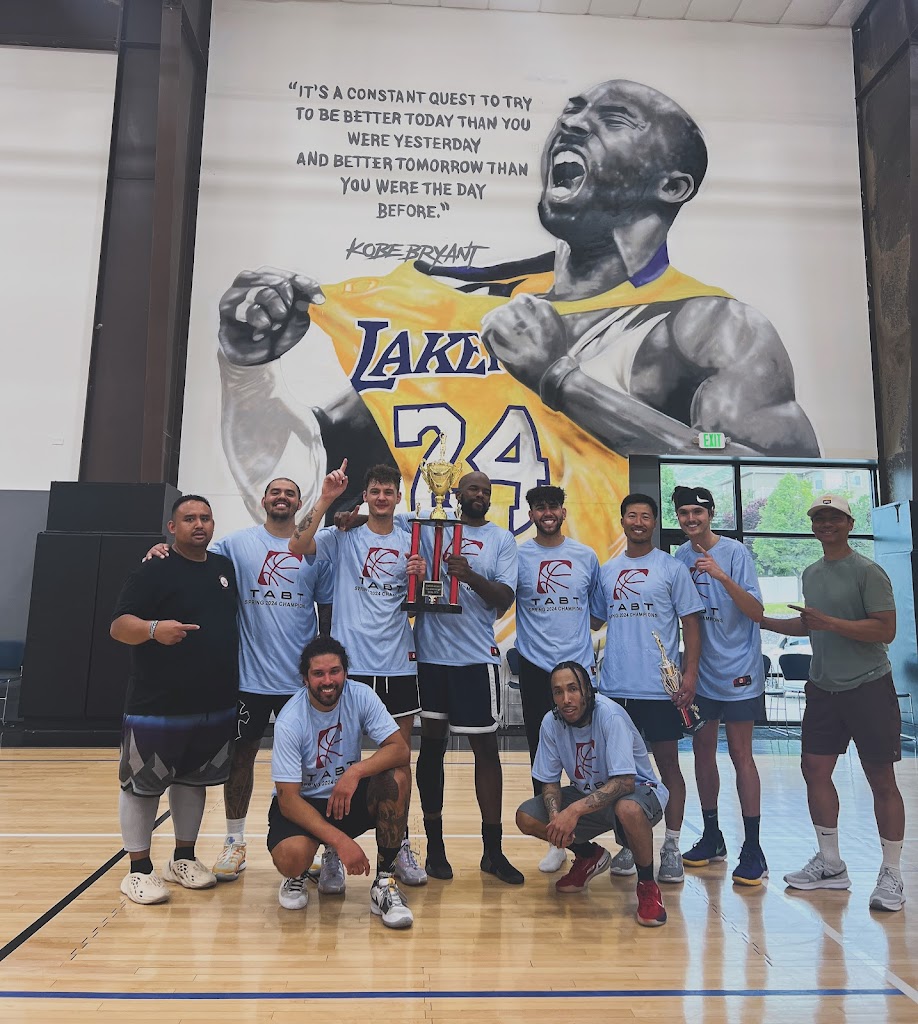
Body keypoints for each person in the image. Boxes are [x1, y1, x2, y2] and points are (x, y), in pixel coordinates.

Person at [215, 80, 818, 565]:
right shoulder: (464, 310)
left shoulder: (708, 324)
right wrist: (247, 375)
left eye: (613, 120)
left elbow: (767, 477)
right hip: (434, 627)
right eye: (572, 111)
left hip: (597, 630)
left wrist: (561, 380)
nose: (573, 123)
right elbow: (305, 482)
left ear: (673, 185)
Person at [143, 477, 335, 884]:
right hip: (250, 678)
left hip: (299, 684)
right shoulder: (236, 544)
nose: (281, 497)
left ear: (299, 502)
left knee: (309, 764)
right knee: (241, 759)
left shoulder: (314, 549)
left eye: (289, 493)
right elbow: (191, 557)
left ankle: (307, 840)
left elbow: (327, 610)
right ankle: (234, 841)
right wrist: (161, 549)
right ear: (263, 500)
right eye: (275, 492)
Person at [287, 459, 429, 890]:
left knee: (399, 760)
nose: (382, 498)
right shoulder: (343, 536)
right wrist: (327, 498)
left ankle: (398, 845)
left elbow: (421, 601)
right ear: (365, 496)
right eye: (375, 491)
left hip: (398, 662)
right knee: (337, 759)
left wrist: (421, 580)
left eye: (388, 491)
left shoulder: (411, 537)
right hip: (352, 666)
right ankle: (333, 849)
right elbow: (297, 544)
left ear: (398, 497)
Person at [762, 494, 905, 911]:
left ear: (849, 523)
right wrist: (762, 620)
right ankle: (830, 864)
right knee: (814, 770)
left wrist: (830, 622)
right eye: (819, 518)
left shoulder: (868, 571)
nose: (826, 524)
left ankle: (892, 872)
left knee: (881, 779)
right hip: (823, 689)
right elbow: (812, 627)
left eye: (834, 518)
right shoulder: (811, 573)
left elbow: (886, 630)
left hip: (869, 687)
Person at [110, 495, 239, 905]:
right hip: (157, 704)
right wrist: (153, 629)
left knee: (193, 782)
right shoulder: (154, 568)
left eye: (205, 518)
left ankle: (183, 858)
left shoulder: (223, 568)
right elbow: (119, 626)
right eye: (189, 518)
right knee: (142, 786)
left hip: (212, 701)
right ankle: (138, 870)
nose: (198, 524)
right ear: (172, 527)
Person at [412, 471, 523, 884]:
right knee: (432, 748)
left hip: (476, 659)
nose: (480, 495)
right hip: (430, 658)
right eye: (473, 488)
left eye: (487, 491)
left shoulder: (501, 540)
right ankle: (435, 847)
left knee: (486, 750)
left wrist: (470, 575)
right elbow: (387, 521)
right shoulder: (429, 527)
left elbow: (504, 599)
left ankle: (492, 851)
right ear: (455, 493)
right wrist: (353, 516)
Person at [590, 493, 702, 884]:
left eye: (645, 516)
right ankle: (630, 843)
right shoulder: (607, 571)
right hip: (615, 689)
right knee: (622, 772)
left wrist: (689, 675)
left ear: (654, 522)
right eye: (632, 515)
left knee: (668, 767)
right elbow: (594, 619)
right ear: (622, 520)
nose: (638, 522)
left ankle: (671, 846)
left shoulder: (671, 568)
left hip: (660, 690)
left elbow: (692, 624)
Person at [269, 635, 415, 929]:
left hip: (345, 798)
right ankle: (305, 869)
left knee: (397, 775)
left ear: (345, 673)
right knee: (291, 858)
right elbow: (288, 800)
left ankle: (384, 882)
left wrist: (355, 772)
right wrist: (342, 841)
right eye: (318, 673)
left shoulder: (360, 695)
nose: (327, 681)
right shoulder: (290, 720)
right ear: (305, 679)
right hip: (306, 804)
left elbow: (400, 749)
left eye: (334, 671)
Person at [515, 662, 669, 927]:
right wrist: (556, 818)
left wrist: (573, 811)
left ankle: (647, 885)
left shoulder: (610, 716)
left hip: (639, 793)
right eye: (558, 692)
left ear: (587, 690)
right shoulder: (551, 722)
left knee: (627, 809)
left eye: (573, 689)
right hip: (589, 796)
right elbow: (549, 781)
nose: (566, 699)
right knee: (526, 817)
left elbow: (624, 783)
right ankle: (589, 856)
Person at [671, 486, 768, 886]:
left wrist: (721, 576)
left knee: (741, 755)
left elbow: (756, 612)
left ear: (710, 514)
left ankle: (754, 847)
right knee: (702, 752)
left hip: (740, 670)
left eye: (697, 512)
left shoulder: (735, 553)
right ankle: (712, 836)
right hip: (702, 673)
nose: (691, 518)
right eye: (684, 513)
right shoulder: (680, 557)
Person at [515, 484, 601, 873]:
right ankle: (555, 841)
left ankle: (600, 833)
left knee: (590, 754)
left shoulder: (585, 556)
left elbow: (596, 614)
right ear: (531, 514)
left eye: (553, 506)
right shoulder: (519, 556)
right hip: (536, 669)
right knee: (542, 754)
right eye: (539, 507)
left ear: (563, 512)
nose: (547, 512)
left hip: (578, 669)